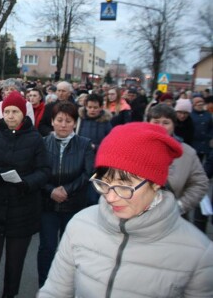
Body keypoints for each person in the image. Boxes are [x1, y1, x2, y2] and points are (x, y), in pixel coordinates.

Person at [38, 122, 213, 297]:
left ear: (156, 184)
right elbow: (55, 291)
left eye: (124, 186)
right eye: (104, 182)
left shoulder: (198, 254)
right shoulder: (80, 224)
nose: (110, 197)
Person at [0, 93, 50, 298]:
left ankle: (9, 295)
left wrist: (25, 181)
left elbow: (44, 171)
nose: (10, 116)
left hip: (24, 208)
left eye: (15, 112)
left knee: (15, 260)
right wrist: (1, 173)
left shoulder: (36, 139)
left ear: (24, 113)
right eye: (7, 111)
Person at [37, 102, 95, 288]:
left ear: (74, 123)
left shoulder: (84, 144)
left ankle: (68, 287)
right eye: (59, 120)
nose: (63, 124)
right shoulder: (42, 143)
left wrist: (67, 189)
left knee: (71, 250)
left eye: (68, 121)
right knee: (47, 248)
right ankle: (45, 286)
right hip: (48, 205)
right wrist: (50, 190)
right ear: (52, 121)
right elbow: (36, 171)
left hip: (74, 205)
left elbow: (89, 173)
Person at [146, 104, 209, 216]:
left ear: (174, 125)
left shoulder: (187, 153)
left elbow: (200, 183)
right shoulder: (133, 147)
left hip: (171, 218)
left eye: (166, 123)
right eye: (156, 122)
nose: (160, 126)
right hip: (136, 218)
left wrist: (180, 206)